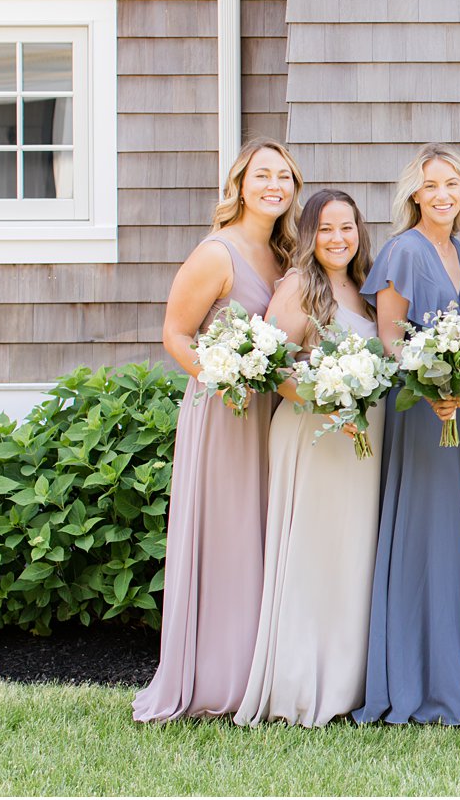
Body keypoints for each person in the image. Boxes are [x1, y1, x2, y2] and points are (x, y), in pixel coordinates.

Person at [134, 137, 302, 722]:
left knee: (262, 536)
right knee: (226, 536)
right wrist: (223, 374)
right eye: (262, 174)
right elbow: (176, 335)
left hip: (272, 414)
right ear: (240, 184)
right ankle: (215, 678)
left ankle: (258, 672)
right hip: (224, 413)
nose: (273, 184)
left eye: (283, 175)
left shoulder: (286, 259)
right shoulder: (217, 253)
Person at [235, 189, 383, 727]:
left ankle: (346, 682)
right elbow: (269, 368)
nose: (338, 238)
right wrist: (326, 397)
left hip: (363, 444)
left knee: (351, 556)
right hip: (314, 436)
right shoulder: (300, 286)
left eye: (347, 228)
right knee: (314, 556)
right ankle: (303, 685)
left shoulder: (366, 290)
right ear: (308, 235)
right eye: (325, 229)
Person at [355, 143, 460, 725]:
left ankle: (449, 669)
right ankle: (413, 678)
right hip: (419, 409)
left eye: (452, 184)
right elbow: (390, 337)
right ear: (415, 193)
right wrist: (432, 383)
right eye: (432, 185)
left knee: (451, 536)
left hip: (457, 409)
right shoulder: (403, 251)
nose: (443, 195)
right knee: (422, 538)